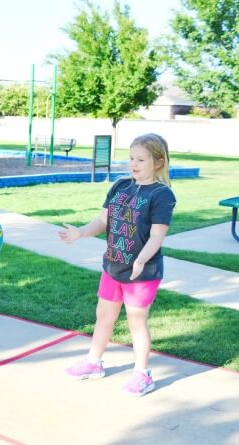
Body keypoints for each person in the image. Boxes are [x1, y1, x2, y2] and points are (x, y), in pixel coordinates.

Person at [58, 133, 176, 397]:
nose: (133, 164)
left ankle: (142, 374)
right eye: (131, 158)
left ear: (157, 162)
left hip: (142, 272)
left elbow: (157, 235)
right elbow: (103, 222)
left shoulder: (162, 195)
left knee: (137, 323)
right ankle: (93, 362)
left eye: (141, 159)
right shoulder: (120, 186)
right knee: (104, 317)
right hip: (113, 266)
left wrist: (142, 259)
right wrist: (80, 232)